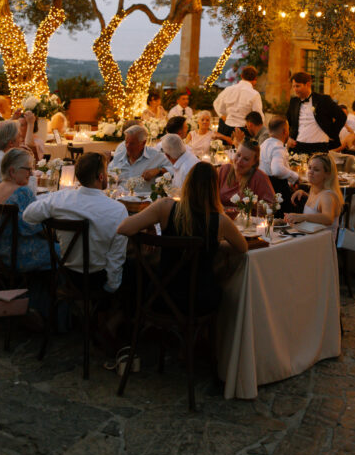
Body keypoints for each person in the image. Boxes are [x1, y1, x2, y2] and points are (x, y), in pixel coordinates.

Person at [117, 162, 247, 313]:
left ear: (187, 183)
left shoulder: (165, 207)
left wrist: (149, 225)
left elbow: (123, 228)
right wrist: (213, 243)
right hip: (200, 301)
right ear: (214, 188)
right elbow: (242, 247)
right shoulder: (221, 221)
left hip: (160, 295)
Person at [23, 152, 128, 294]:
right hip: (96, 280)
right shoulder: (118, 210)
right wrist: (111, 287)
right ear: (101, 177)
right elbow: (116, 257)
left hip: (64, 275)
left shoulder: (61, 199)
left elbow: (28, 215)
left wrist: (50, 219)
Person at [0, 148, 53, 271]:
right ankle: (45, 289)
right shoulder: (22, 192)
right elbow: (39, 228)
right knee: (65, 251)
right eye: (28, 169)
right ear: (12, 171)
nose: (31, 173)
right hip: (19, 256)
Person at [285, 153, 343, 238]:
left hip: (321, 245)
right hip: (310, 240)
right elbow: (317, 207)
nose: (310, 172)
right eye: (309, 168)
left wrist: (302, 217)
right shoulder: (314, 191)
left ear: (327, 174)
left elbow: (328, 218)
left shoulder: (327, 196)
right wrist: (303, 193)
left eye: (316, 170)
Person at [286, 71, 346, 154]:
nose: (295, 89)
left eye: (298, 86)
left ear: (308, 84)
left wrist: (332, 133)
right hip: (298, 146)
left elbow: (342, 116)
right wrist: (290, 137)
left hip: (319, 146)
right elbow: (290, 121)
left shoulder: (323, 100)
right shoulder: (293, 101)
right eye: (293, 87)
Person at [217, 138, 275, 209]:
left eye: (246, 159)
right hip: (221, 217)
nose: (239, 161)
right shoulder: (224, 170)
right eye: (238, 155)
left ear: (254, 162)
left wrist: (253, 206)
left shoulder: (259, 177)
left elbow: (272, 205)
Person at [108, 123, 166, 192]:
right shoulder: (119, 157)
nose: (127, 146)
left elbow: (174, 170)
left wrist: (159, 170)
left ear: (143, 143)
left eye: (132, 143)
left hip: (145, 200)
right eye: (126, 142)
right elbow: (108, 178)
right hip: (121, 199)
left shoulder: (155, 156)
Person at [213, 66, 264, 140]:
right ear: (255, 79)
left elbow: (216, 103)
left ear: (241, 76)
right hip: (244, 130)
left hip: (227, 127)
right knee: (242, 151)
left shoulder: (229, 89)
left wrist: (222, 116)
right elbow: (258, 116)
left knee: (225, 151)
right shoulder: (254, 94)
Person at [260, 117, 299, 211]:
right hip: (276, 189)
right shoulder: (277, 147)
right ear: (285, 131)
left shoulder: (263, 144)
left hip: (262, 187)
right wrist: (295, 177)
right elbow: (277, 170)